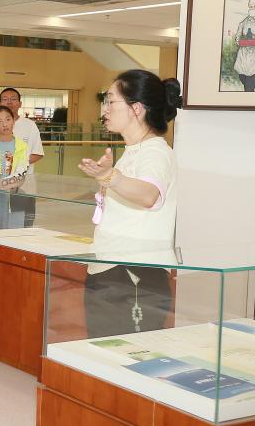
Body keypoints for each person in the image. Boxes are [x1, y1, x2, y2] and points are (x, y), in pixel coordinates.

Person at [78, 71, 181, 337]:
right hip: (112, 268)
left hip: (133, 273)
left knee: (126, 354)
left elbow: (148, 195)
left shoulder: (155, 152)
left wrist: (110, 177)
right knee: (101, 350)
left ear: (137, 108)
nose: (105, 109)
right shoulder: (133, 152)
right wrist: (109, 179)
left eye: (111, 101)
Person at [0, 87, 44, 224]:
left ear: (20, 103)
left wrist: (14, 168)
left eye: (13, 99)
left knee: (21, 226)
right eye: (5, 99)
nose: (9, 102)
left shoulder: (29, 126)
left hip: (22, 188)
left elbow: (37, 153)